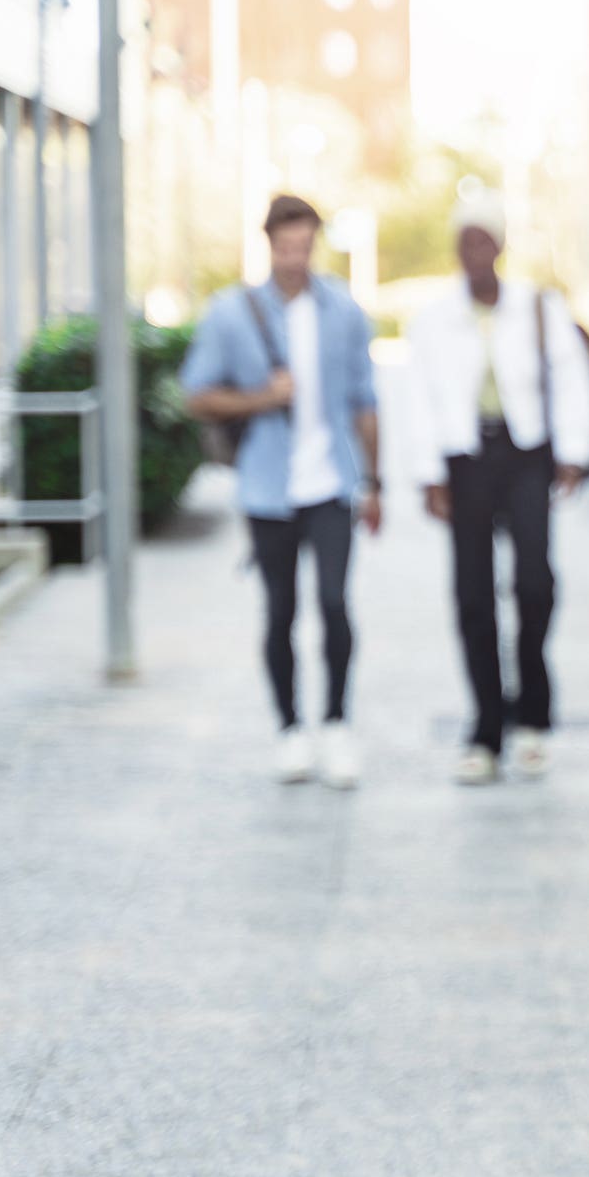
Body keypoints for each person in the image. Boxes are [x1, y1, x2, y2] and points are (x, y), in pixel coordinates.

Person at [180, 194, 382, 788]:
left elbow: (366, 402)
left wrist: (375, 481)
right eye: (285, 246)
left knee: (335, 603)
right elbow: (196, 394)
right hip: (268, 486)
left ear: (315, 244)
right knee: (281, 611)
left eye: (304, 246)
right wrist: (262, 400)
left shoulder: (343, 312)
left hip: (333, 483)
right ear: (269, 244)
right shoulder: (231, 314)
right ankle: (290, 729)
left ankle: (338, 724)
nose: (295, 258)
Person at [407, 192, 589, 785]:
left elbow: (572, 382)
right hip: (466, 459)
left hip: (526, 455)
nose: (474, 251)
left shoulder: (537, 307)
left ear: (498, 247)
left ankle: (534, 716)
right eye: (464, 241)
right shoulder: (434, 318)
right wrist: (428, 475)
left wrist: (572, 454)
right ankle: (486, 728)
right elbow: (419, 398)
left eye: (483, 240)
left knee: (533, 583)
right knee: (472, 596)